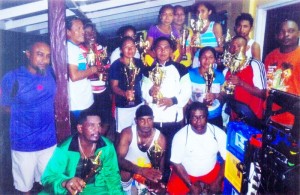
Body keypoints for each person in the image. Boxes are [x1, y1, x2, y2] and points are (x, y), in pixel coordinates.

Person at [0, 40, 57, 194]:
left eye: (48, 56)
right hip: (24, 142)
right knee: (25, 187)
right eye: (39, 55)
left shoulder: (51, 72)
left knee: (50, 182)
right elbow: (3, 104)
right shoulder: (13, 78)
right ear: (28, 54)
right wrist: (23, 112)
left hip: (49, 141)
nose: (44, 60)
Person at [142, 37, 191, 181]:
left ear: (171, 51)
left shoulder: (180, 68)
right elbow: (144, 93)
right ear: (154, 51)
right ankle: (155, 180)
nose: (162, 51)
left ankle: (169, 181)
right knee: (155, 152)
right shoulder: (148, 70)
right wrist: (151, 91)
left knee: (171, 152)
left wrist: (173, 101)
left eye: (166, 48)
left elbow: (186, 92)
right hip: (155, 120)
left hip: (173, 119)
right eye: (159, 48)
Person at [40, 110, 123, 194]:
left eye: (99, 125)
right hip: (69, 190)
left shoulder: (106, 146)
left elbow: (112, 176)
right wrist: (65, 182)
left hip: (97, 189)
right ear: (80, 128)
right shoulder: (65, 149)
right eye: (92, 126)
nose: (97, 130)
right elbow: (48, 178)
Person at [167, 102, 226, 194]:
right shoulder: (180, 136)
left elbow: (227, 159)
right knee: (172, 190)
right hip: (187, 173)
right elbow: (176, 163)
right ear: (189, 119)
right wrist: (190, 185)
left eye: (202, 117)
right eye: (194, 117)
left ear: (207, 117)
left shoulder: (219, 133)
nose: (198, 121)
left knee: (228, 186)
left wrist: (217, 181)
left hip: (211, 170)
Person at [117, 105, 166, 194]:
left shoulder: (160, 138)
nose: (146, 124)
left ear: (153, 119)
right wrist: (141, 171)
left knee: (159, 189)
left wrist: (158, 180)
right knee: (124, 171)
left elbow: (160, 165)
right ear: (136, 121)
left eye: (149, 119)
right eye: (142, 120)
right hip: (130, 167)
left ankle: (142, 187)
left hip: (148, 169)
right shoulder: (127, 133)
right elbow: (119, 160)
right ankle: (126, 190)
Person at [264, 19, 300, 127]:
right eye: (282, 32)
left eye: (291, 31)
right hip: (269, 114)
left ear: (298, 33)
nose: (286, 35)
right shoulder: (270, 56)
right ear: (277, 36)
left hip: (291, 119)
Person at [109, 36, 149, 133]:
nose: (130, 49)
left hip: (139, 103)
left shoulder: (140, 63)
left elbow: (146, 80)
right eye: (127, 47)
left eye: (132, 46)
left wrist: (147, 98)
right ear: (121, 49)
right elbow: (114, 87)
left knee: (138, 132)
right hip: (123, 106)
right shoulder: (116, 65)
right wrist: (124, 93)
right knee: (122, 133)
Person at [66, 16, 99, 133]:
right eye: (78, 28)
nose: (82, 31)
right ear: (68, 32)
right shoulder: (71, 49)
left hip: (84, 100)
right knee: (82, 134)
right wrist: (93, 70)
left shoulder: (75, 48)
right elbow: (74, 76)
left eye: (82, 28)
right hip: (78, 103)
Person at [225, 36, 267, 126]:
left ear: (246, 48)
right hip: (234, 118)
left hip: (253, 119)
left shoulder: (255, 64)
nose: (235, 49)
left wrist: (241, 83)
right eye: (233, 46)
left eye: (239, 46)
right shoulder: (228, 67)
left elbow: (263, 94)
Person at [81, 22, 112, 137]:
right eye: (87, 32)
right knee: (91, 123)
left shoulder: (100, 48)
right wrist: (94, 71)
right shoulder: (79, 50)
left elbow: (107, 66)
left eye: (92, 31)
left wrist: (104, 70)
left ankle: (101, 142)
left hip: (102, 91)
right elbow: (80, 72)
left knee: (106, 121)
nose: (91, 35)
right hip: (88, 93)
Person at [189, 46, 225, 128]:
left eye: (211, 57)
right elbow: (185, 96)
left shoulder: (220, 75)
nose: (207, 60)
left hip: (215, 116)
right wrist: (196, 106)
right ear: (199, 59)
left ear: (215, 60)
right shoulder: (190, 74)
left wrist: (215, 96)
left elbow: (224, 95)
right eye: (204, 57)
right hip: (195, 117)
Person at [191, 1, 224, 68]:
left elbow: (221, 49)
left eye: (203, 11)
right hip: (197, 60)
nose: (200, 14)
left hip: (210, 60)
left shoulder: (215, 26)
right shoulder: (196, 28)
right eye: (198, 11)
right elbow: (195, 50)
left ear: (209, 12)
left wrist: (205, 48)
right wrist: (193, 43)